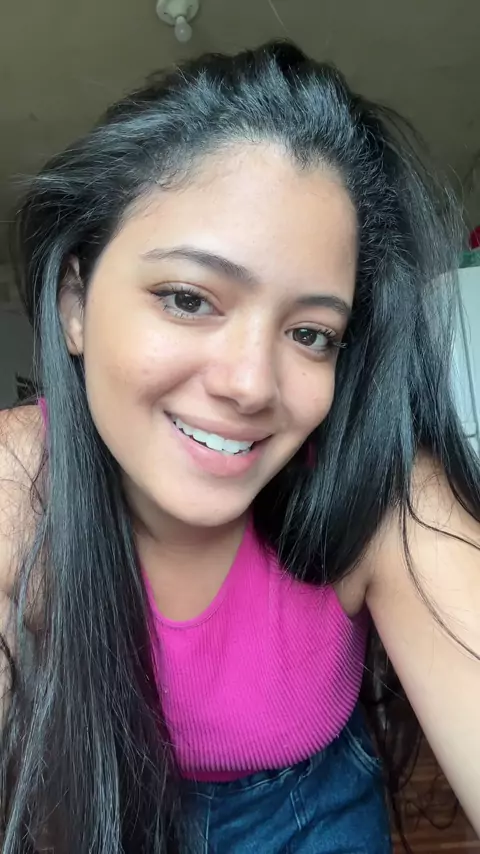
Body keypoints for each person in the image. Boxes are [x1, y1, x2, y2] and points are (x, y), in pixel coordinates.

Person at [0, 39, 479, 854]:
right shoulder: (20, 482)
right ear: (75, 303)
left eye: (311, 333)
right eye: (189, 298)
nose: (254, 385)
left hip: (312, 809)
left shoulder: (382, 493)